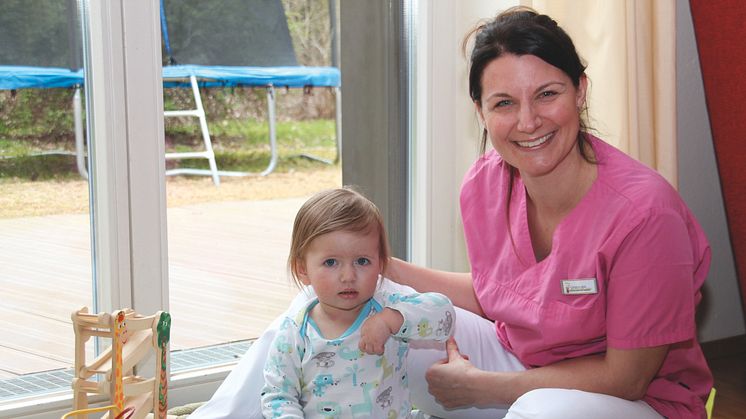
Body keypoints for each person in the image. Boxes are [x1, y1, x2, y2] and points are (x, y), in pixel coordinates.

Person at [191, 6, 712, 419]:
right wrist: (378, 269)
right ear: (481, 112)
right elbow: (502, 294)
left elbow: (628, 377)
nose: (527, 121)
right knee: (329, 300)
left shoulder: (645, 214)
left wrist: (484, 387)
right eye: (504, 102)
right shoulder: (483, 184)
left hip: (631, 403)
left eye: (547, 94)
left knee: (539, 410)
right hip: (515, 362)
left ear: (580, 91)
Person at [259, 187, 455, 418]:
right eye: (331, 262)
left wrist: (392, 320)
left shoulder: (387, 307)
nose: (348, 276)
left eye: (362, 261)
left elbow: (445, 316)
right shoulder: (294, 332)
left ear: (380, 263)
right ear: (302, 269)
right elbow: (278, 397)